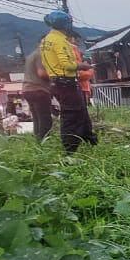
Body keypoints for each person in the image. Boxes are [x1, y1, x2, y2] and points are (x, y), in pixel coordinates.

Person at [40, 10, 96, 153]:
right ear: (64, 25)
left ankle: (90, 141)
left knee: (82, 112)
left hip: (57, 82)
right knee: (71, 116)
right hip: (66, 83)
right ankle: (70, 150)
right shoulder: (59, 41)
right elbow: (66, 64)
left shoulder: (46, 41)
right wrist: (82, 66)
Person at [22, 47, 54, 141]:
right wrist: (55, 76)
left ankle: (38, 142)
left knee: (36, 118)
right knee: (45, 119)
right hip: (39, 90)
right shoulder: (41, 54)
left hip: (27, 90)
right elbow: (42, 73)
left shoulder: (30, 56)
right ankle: (45, 142)